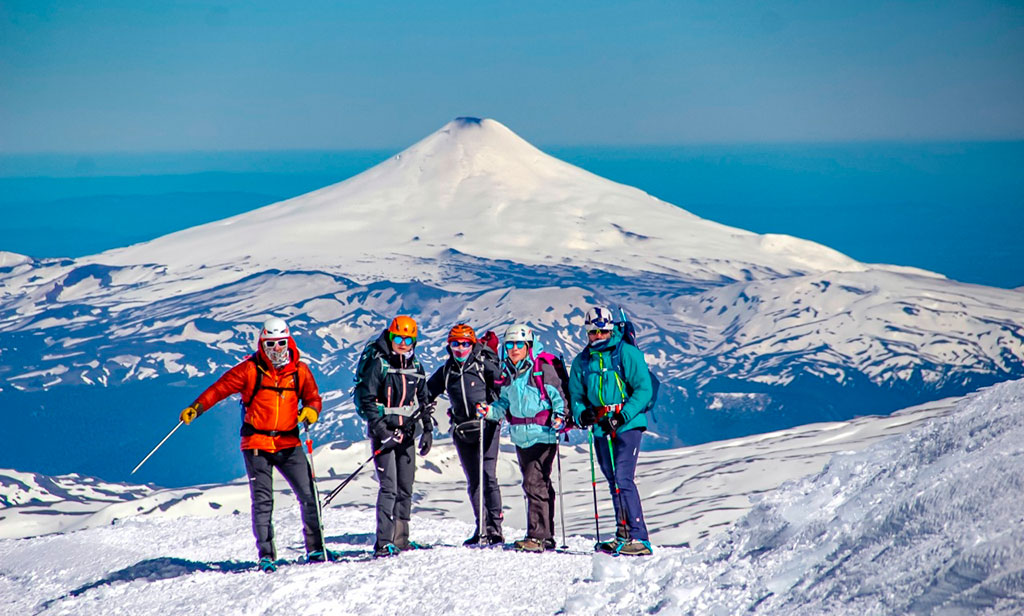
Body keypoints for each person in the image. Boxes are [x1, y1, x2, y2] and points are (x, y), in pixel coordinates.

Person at [179, 317, 328, 573]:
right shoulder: (249, 370)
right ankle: (267, 555)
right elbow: (220, 388)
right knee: (263, 501)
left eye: (281, 343)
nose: (276, 349)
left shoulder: (299, 371)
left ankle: (315, 549)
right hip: (257, 443)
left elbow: (313, 397)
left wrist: (312, 411)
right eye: (271, 344)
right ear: (262, 343)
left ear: (288, 341)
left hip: (288, 441)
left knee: (308, 495)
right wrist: (197, 408)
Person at [568, 306, 655, 556]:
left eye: (602, 331)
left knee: (623, 478)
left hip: (627, 424)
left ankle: (639, 536)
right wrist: (581, 413)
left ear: (611, 329)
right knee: (613, 481)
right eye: (593, 332)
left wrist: (621, 417)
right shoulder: (582, 361)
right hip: (600, 426)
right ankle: (623, 533)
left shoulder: (626, 353)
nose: (597, 336)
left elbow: (643, 390)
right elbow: (577, 395)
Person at [478, 323, 565, 552]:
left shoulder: (541, 368)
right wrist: (490, 411)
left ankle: (537, 536)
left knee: (533, 482)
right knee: (539, 483)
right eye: (509, 345)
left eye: (518, 344)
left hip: (543, 434)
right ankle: (545, 536)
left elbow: (557, 396)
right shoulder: (509, 372)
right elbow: (505, 403)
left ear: (528, 346)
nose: (514, 349)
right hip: (521, 436)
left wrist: (559, 416)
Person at [354, 315, 434, 558]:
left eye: (407, 339)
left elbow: (424, 400)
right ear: (390, 337)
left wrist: (428, 429)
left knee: (405, 486)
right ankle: (384, 541)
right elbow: (367, 399)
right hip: (384, 435)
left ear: (414, 342)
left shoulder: (416, 367)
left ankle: (401, 538)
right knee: (389, 487)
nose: (402, 343)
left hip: (406, 434)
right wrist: (381, 431)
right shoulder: (379, 364)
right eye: (397, 338)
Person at [426, 323, 504, 546]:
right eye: (455, 344)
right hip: (462, 429)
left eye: (465, 344)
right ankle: (482, 527)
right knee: (474, 480)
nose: (460, 348)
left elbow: (502, 389)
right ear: (449, 346)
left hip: (487, 425)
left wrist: (492, 409)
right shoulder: (446, 370)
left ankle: (495, 529)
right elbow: (428, 392)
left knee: (487, 476)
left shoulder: (484, 365)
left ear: (472, 344)